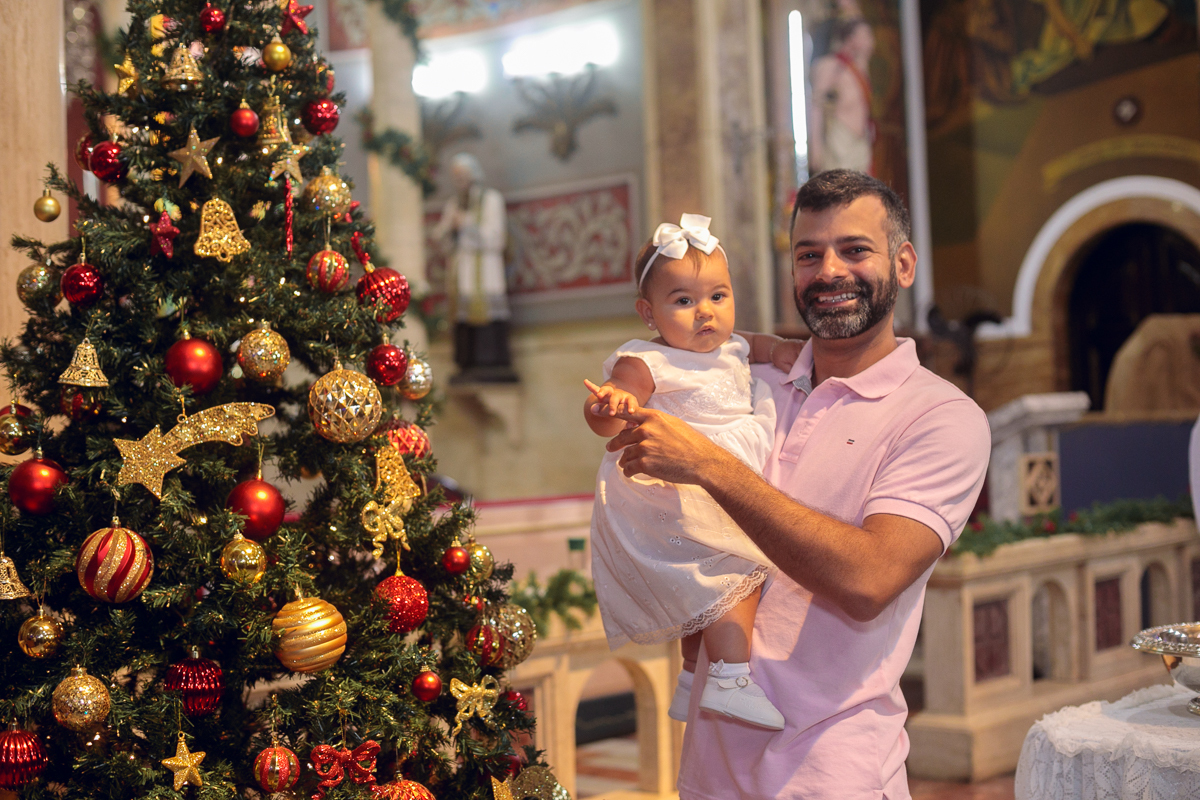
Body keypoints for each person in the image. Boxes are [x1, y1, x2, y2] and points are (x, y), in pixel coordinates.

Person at [604, 171, 991, 799]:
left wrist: (707, 464)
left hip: (831, 771)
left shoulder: (941, 417)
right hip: (710, 766)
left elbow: (869, 580)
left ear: (904, 263)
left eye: (854, 250)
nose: (829, 270)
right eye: (809, 255)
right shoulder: (740, 378)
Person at [583, 214, 798, 730]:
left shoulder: (733, 347)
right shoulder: (647, 360)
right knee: (738, 571)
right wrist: (611, 405)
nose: (705, 312)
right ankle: (728, 677)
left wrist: (793, 352)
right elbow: (613, 408)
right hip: (676, 484)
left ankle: (689, 676)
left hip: (718, 473)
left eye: (717, 297)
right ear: (649, 314)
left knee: (699, 587)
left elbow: (764, 345)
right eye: (683, 301)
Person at [432, 152, 518, 382]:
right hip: (463, 272)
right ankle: (466, 363)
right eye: (456, 176)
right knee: (464, 320)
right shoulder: (454, 204)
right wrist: (450, 229)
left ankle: (492, 362)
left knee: (488, 318)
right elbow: (441, 238)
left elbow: (496, 238)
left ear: (474, 174)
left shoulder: (491, 199)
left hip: (486, 270)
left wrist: (467, 224)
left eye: (463, 175)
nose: (459, 180)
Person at [809, 18, 876, 174]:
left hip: (860, 142)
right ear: (850, 39)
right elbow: (816, 106)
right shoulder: (832, 66)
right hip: (840, 141)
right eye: (865, 36)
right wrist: (815, 148)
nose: (871, 42)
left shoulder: (860, 68)